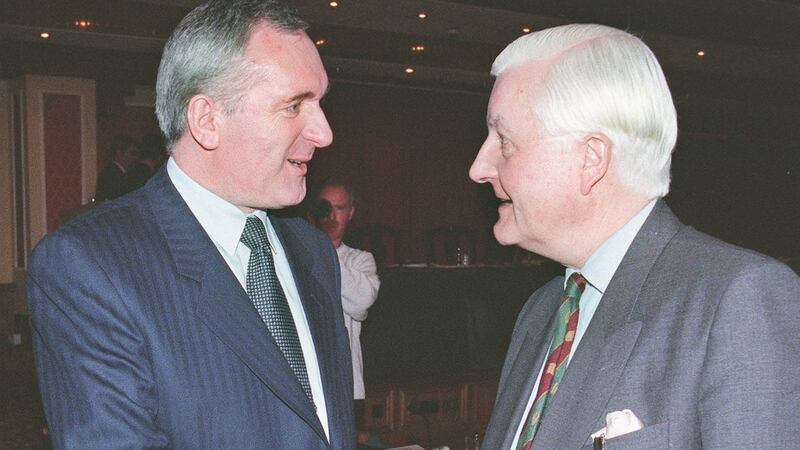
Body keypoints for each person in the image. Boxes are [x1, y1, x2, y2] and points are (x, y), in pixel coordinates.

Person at [26, 1, 355, 448]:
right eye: (295, 105)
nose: (324, 132)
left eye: (319, 102)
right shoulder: (92, 265)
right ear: (207, 120)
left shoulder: (313, 252)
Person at [469, 24, 800, 449]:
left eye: (504, 141)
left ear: (591, 160)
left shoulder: (737, 300)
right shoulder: (541, 311)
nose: (479, 167)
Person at [313, 180, 380, 432]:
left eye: (339, 208)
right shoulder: (296, 255)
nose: (331, 216)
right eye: (325, 208)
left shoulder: (360, 260)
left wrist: (322, 251)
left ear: (350, 212)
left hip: (345, 384)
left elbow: (361, 303)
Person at [95, 135, 139, 201]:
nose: (136, 158)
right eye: (132, 153)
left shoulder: (115, 172)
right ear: (119, 152)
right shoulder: (112, 174)